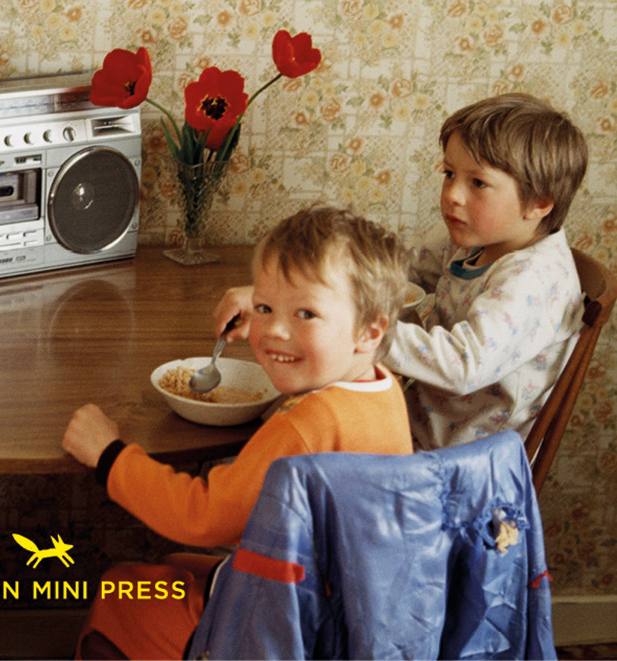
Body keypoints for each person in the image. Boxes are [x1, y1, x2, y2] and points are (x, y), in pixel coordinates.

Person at [63, 205, 413, 660]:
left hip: (286, 632)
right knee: (174, 567)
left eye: (305, 313)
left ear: (369, 331)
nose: (274, 330)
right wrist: (291, 312)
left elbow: (202, 517)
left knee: (121, 590)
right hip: (345, 614)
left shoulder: (309, 423)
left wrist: (108, 454)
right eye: (266, 308)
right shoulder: (382, 387)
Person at [384, 93, 589, 448]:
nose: (452, 195)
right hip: (416, 424)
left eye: (477, 183)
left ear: (539, 201)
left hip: (462, 469)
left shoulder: (534, 280)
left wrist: (359, 333)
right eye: (449, 174)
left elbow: (463, 364)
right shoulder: (476, 237)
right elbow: (399, 265)